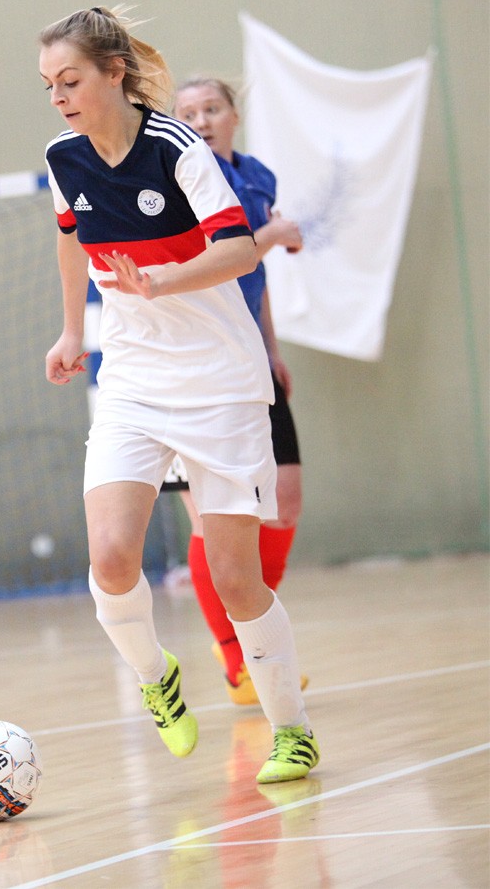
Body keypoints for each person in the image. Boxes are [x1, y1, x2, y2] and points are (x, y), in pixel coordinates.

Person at [38, 6, 318, 784]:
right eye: (48, 85)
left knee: (235, 577)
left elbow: (238, 250)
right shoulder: (62, 157)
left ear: (113, 73)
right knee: (109, 556)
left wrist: (160, 282)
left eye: (70, 81)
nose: (58, 98)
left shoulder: (177, 147)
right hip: (132, 376)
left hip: (219, 378)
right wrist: (72, 330)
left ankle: (292, 731)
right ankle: (155, 674)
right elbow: (68, 237)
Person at [167, 76, 308, 706]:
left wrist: (272, 347)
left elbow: (259, 276)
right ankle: (238, 660)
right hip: (193, 367)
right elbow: (234, 253)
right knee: (212, 521)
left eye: (212, 108)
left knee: (285, 501)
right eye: (188, 113)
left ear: (234, 115)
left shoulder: (257, 176)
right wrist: (273, 235)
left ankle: (256, 632)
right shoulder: (181, 176)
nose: (201, 120)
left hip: (250, 359)